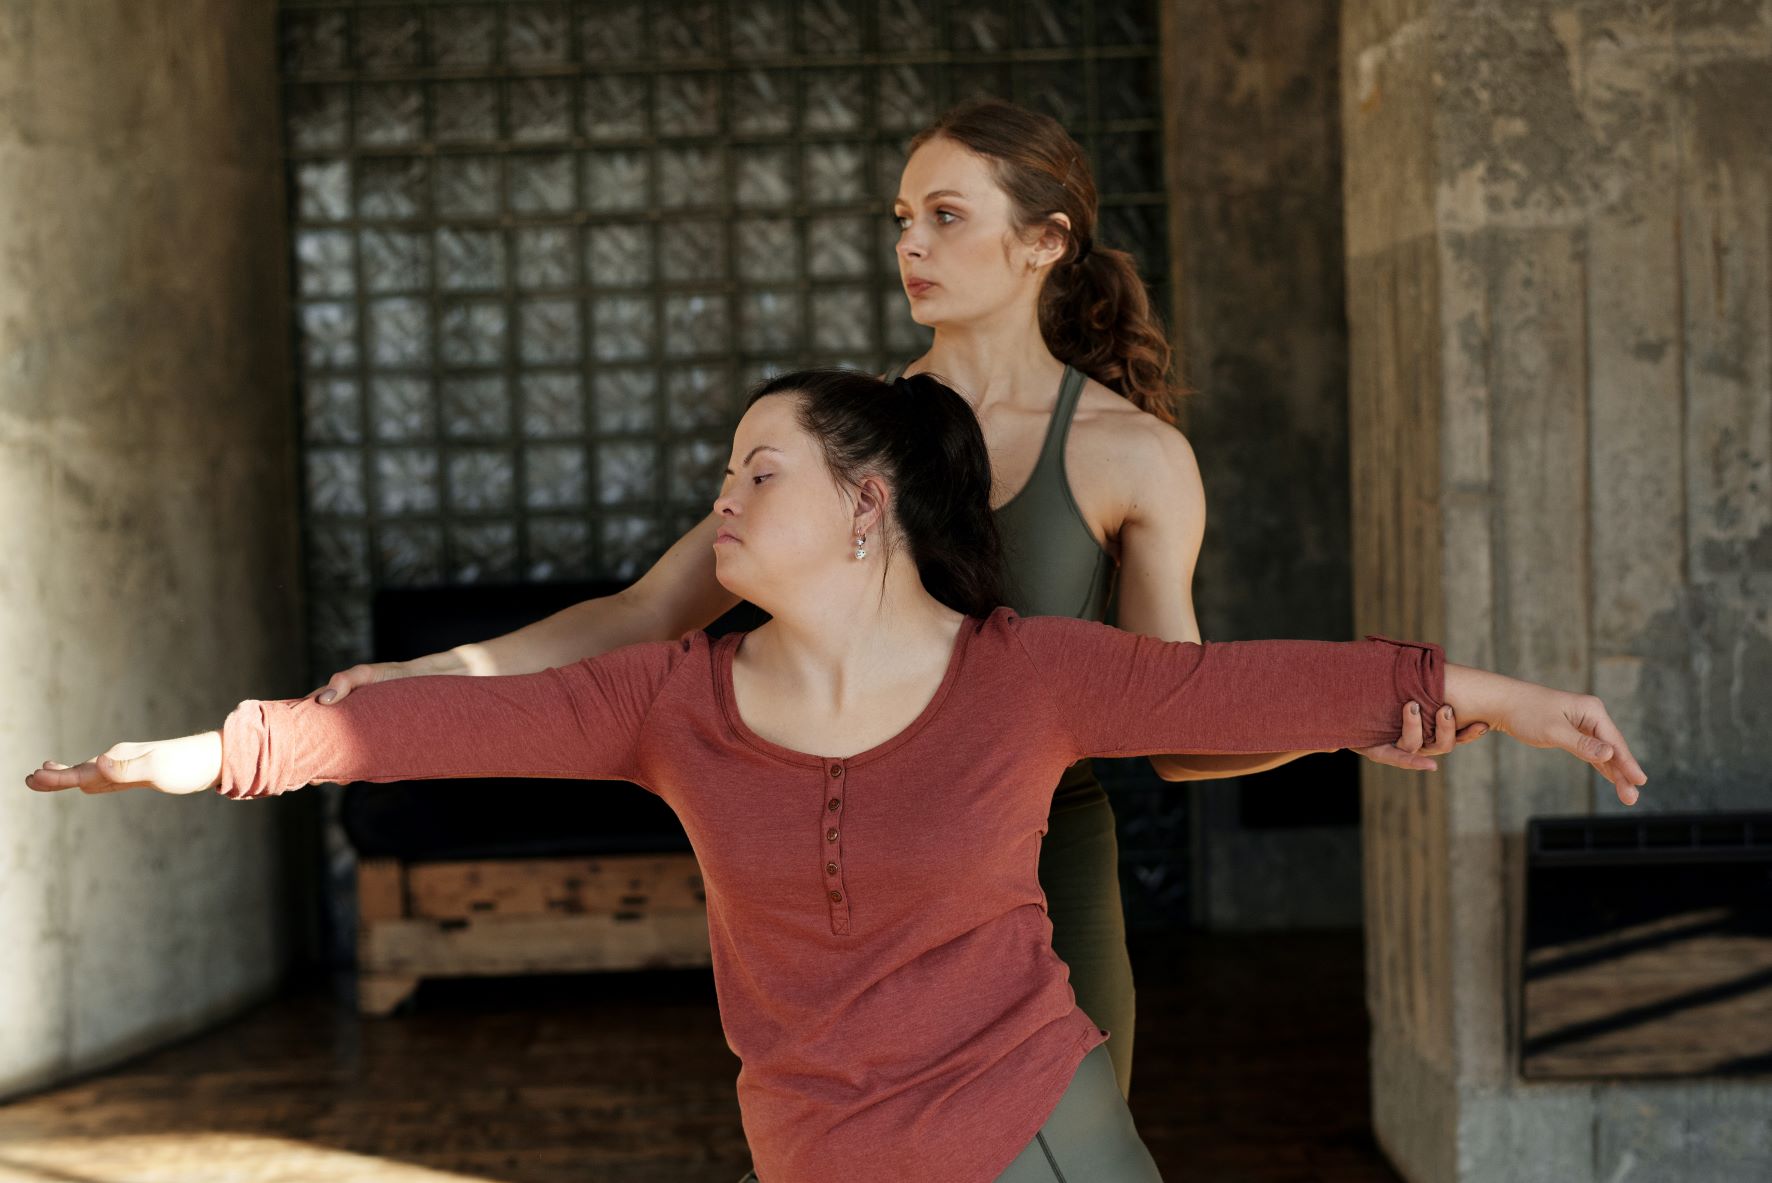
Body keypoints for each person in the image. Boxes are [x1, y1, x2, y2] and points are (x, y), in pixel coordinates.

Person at [29, 369, 1644, 1183]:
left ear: (867, 502)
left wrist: (1501, 696)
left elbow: (1234, 681)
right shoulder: (672, 700)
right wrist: (200, 756)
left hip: (1030, 1124)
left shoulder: (1026, 668)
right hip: (813, 1138)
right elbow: (409, 730)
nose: (723, 497)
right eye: (726, 471)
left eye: (759, 469)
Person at [299, 98, 1483, 1107]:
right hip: (849, 858)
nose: (909, 243)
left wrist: (1353, 718)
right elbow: (647, 610)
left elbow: (1178, 728)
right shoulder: (850, 436)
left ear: (1043, 243)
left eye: (945, 215)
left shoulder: (1134, 456)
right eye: (902, 219)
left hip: (1038, 868)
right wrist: (422, 682)